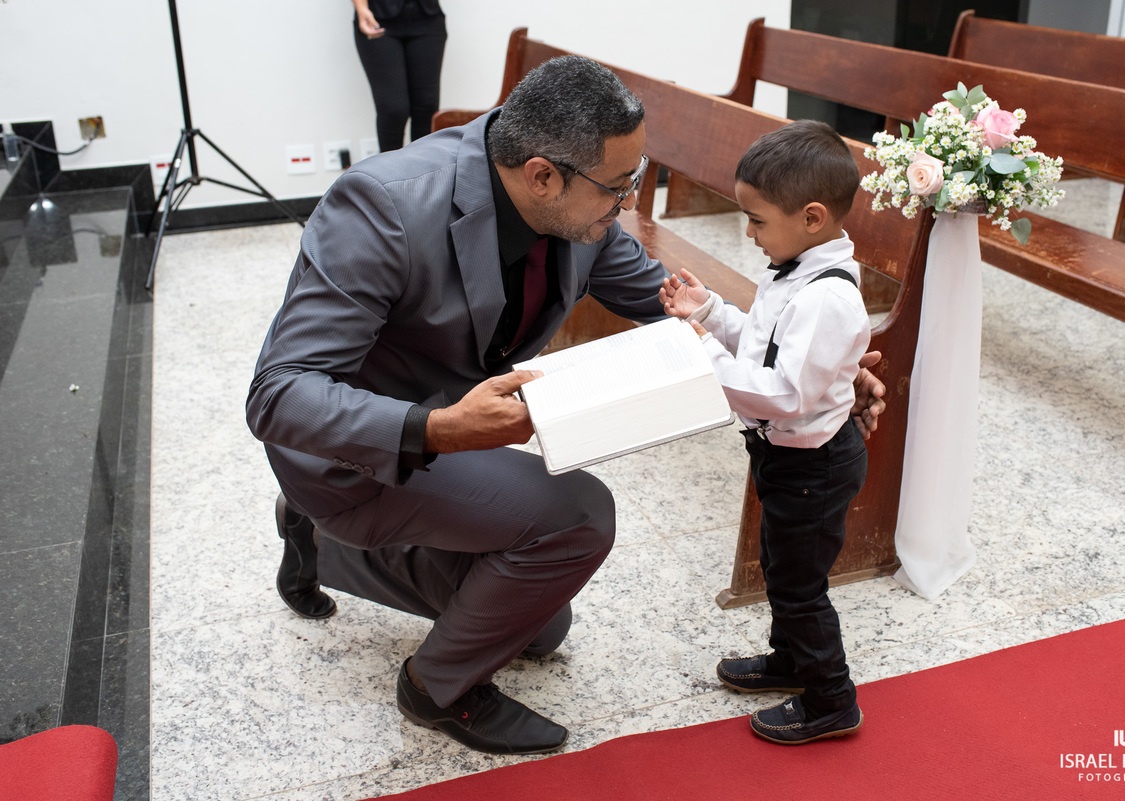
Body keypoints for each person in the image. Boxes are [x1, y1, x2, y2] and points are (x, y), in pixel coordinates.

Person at [247, 57, 886, 756]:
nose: (627, 206)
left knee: (542, 628)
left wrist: (816, 363)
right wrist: (439, 427)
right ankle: (435, 687)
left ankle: (320, 539)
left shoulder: (572, 209)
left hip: (450, 428)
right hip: (362, 450)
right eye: (619, 189)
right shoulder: (381, 207)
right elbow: (277, 395)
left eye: (634, 181)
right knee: (579, 518)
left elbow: (663, 299)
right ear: (543, 174)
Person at [659, 119, 870, 745]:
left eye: (756, 221)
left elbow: (784, 393)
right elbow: (763, 343)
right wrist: (710, 313)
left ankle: (832, 700)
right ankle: (791, 663)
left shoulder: (828, 297)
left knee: (800, 587)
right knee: (782, 570)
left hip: (815, 465)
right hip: (787, 460)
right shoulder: (796, 270)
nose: (748, 234)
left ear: (811, 218)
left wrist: (702, 353)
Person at [352, 0, 447, 151]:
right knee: (393, 110)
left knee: (426, 106)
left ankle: (425, 172)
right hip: (377, 17)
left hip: (427, 17)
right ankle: (388, 173)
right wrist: (361, 8)